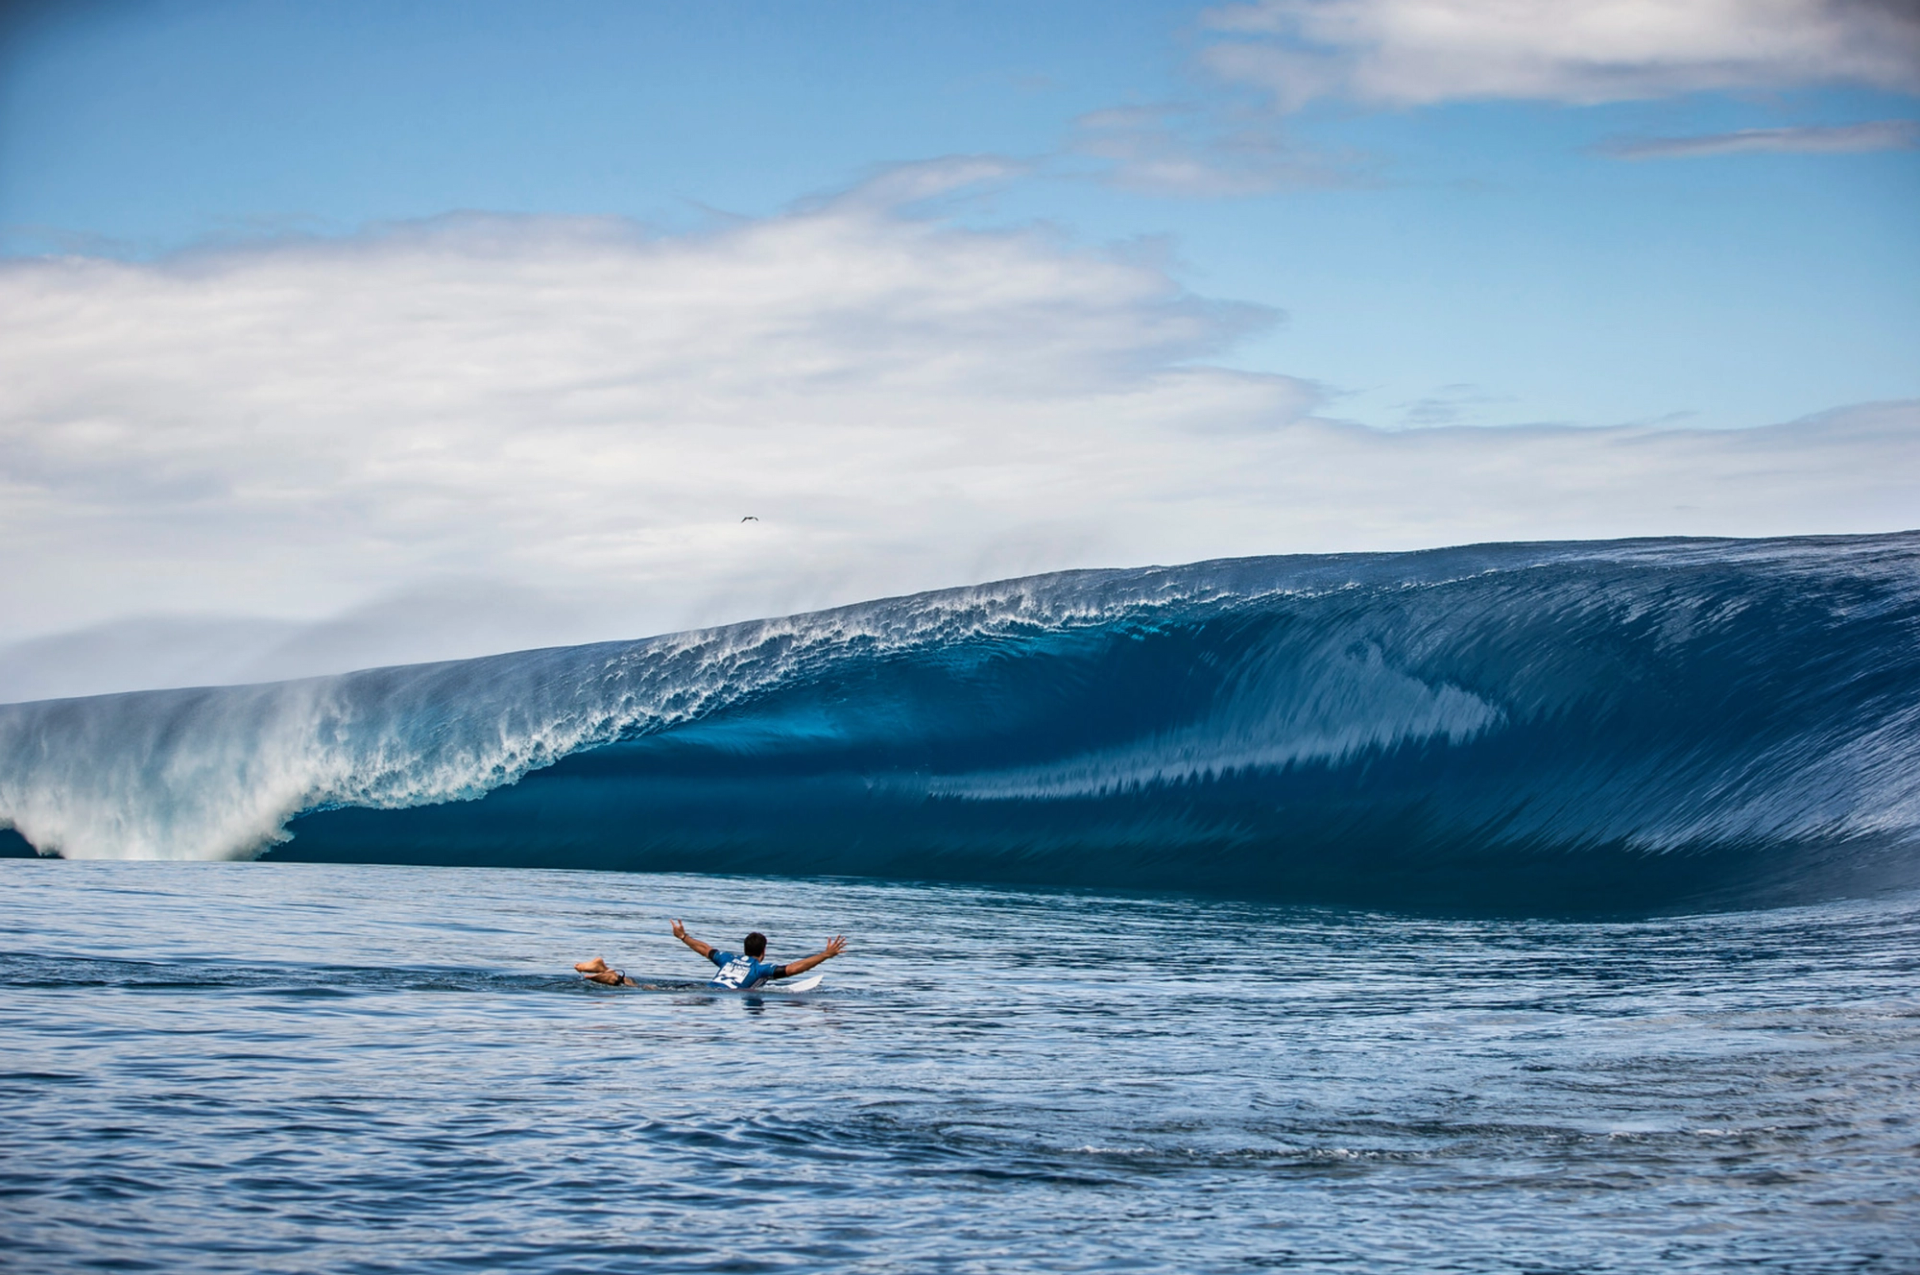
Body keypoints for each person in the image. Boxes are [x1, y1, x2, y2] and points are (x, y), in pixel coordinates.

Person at [574, 921, 846, 990]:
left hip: (707, 988)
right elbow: (793, 969)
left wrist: (683, 936)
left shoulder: (727, 958)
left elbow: (705, 949)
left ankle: (605, 969)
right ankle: (609, 976)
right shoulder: (760, 969)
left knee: (644, 987)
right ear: (763, 952)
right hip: (715, 995)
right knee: (637, 989)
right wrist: (824, 955)